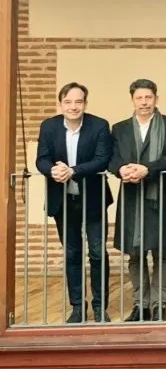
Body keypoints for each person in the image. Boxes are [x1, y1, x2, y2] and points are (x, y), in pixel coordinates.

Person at [36, 82, 112, 324]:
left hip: (93, 199)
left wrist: (73, 171)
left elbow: (102, 159)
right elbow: (41, 159)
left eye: (78, 101)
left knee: (98, 253)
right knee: (72, 254)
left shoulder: (99, 125)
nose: (73, 106)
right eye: (68, 102)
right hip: (63, 200)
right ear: (60, 104)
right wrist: (52, 170)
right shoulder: (49, 126)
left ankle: (100, 308)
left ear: (85, 104)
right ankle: (78, 308)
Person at [109, 79, 166, 322]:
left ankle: (159, 304)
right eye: (139, 98)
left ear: (156, 99)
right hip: (132, 198)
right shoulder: (119, 128)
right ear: (132, 100)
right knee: (135, 254)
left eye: (148, 97)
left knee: (161, 254)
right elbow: (112, 158)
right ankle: (140, 305)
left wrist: (147, 169)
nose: (144, 102)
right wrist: (121, 169)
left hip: (160, 197)